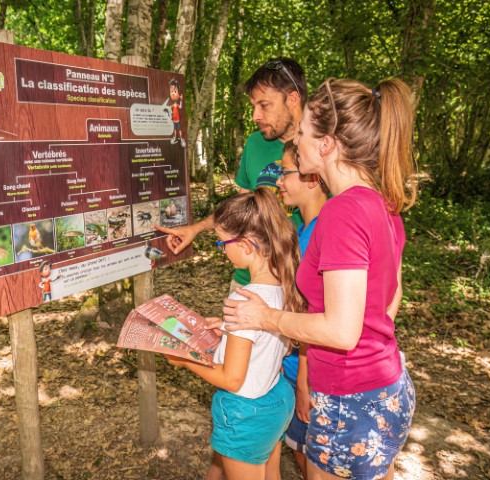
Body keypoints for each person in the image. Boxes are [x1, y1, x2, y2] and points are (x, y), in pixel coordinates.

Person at [221, 77, 418, 480]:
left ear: (326, 145)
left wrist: (266, 319)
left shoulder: (342, 214)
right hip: (384, 384)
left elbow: (342, 331)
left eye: (305, 133)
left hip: (352, 397)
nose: (297, 140)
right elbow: (391, 298)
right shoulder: (383, 202)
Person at [166, 187, 304, 480]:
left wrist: (185, 360)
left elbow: (232, 378)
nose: (222, 249)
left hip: (246, 412)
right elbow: (266, 343)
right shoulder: (284, 283)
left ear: (245, 246)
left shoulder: (245, 299)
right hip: (276, 398)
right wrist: (227, 331)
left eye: (222, 242)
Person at [157, 57, 307, 291]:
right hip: (249, 280)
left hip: (301, 280)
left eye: (264, 105)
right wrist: (194, 229)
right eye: (253, 107)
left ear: (293, 99)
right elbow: (241, 210)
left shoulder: (325, 147)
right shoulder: (255, 143)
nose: (255, 116)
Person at [276, 141, 328, 479]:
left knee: (315, 460)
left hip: (312, 374)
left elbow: (316, 315)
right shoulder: (299, 227)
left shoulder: (324, 233)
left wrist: (304, 384)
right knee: (298, 450)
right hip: (295, 365)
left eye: (285, 172)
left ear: (311, 178)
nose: (278, 179)